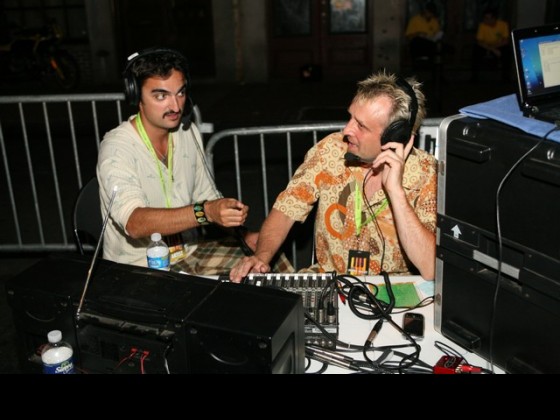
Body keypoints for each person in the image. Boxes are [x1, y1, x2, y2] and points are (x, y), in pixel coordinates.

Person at [96, 48, 292, 275]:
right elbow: (134, 223)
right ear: (135, 95)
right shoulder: (117, 148)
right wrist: (206, 212)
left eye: (180, 93)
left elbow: (206, 197)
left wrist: (241, 234)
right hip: (139, 267)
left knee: (269, 266)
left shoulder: (186, 132)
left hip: (190, 253)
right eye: (161, 96)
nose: (175, 106)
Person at [230, 70, 437, 283]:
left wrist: (396, 192)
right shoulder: (330, 150)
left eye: (361, 126)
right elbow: (286, 210)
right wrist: (261, 257)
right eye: (351, 118)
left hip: (394, 288)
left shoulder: (427, 174)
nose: (347, 130)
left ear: (396, 137)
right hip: (328, 280)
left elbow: (431, 268)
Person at [472, 7, 511, 82]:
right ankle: (474, 77)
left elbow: (506, 41)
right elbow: (479, 41)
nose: (486, 20)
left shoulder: (503, 25)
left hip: (499, 45)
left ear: (494, 18)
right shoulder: (482, 25)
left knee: (506, 51)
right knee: (476, 51)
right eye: (485, 18)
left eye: (488, 18)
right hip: (486, 46)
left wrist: (495, 47)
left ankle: (506, 77)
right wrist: (493, 49)